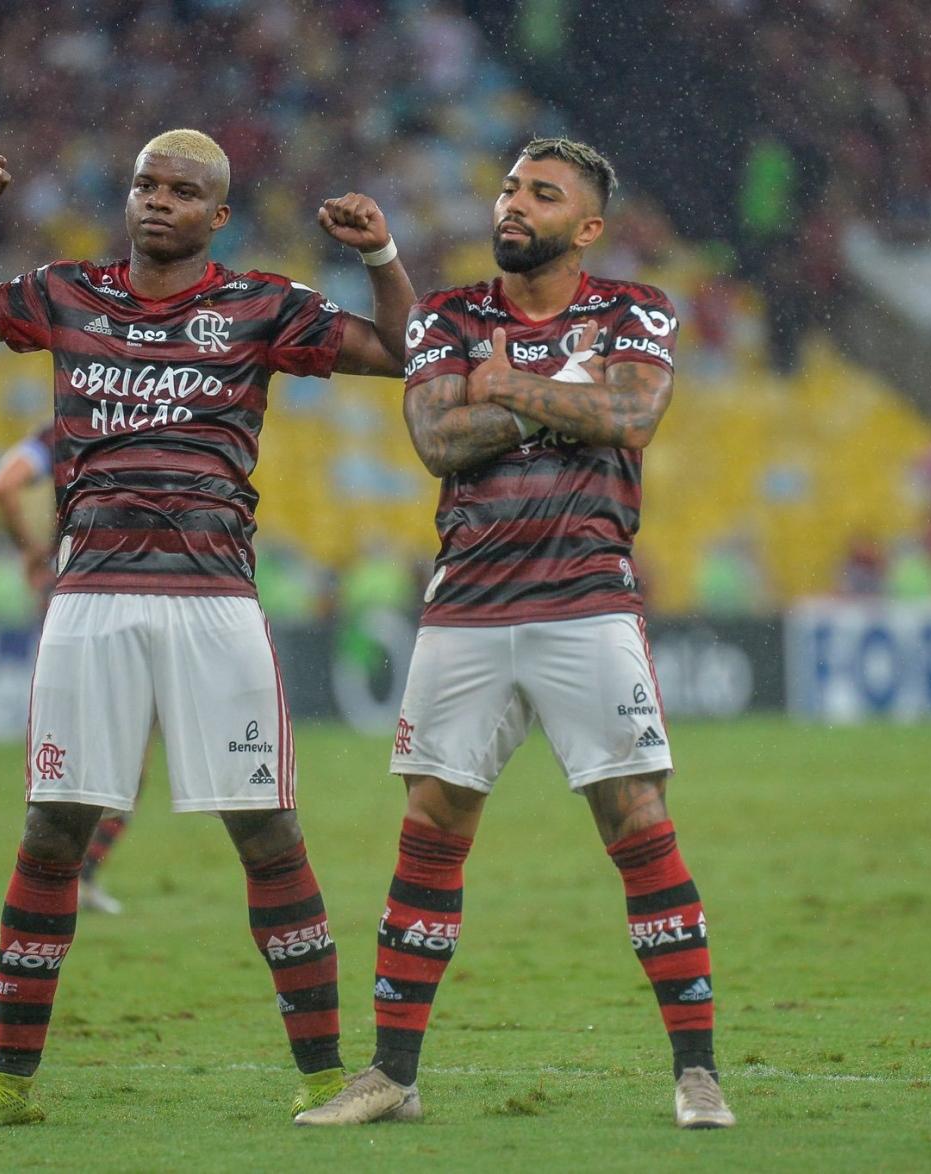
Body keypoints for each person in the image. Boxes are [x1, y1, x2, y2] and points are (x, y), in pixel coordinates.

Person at [0, 130, 414, 1130]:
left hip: (213, 600)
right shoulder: (68, 292)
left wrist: (379, 257)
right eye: (146, 183)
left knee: (265, 828)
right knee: (53, 826)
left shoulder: (258, 306)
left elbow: (401, 351)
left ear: (216, 215)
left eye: (182, 191)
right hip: (90, 596)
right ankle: (8, 1081)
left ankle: (324, 1073)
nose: (157, 200)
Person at [296, 138, 733, 1130]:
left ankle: (697, 1071)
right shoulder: (449, 314)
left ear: (585, 228)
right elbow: (435, 440)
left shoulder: (635, 308)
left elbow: (632, 414)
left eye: (541, 194)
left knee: (635, 816)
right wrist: (558, 407)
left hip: (587, 601)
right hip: (466, 608)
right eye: (507, 187)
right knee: (431, 826)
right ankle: (392, 1074)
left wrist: (504, 388)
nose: (513, 203)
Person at [0, 424, 130, 915]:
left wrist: (31, 551)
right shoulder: (124, 421)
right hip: (117, 585)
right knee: (123, 744)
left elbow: (3, 482)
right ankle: (71, 877)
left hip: (68, 590)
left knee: (77, 740)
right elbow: (3, 484)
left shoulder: (62, 430)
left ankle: (55, 876)